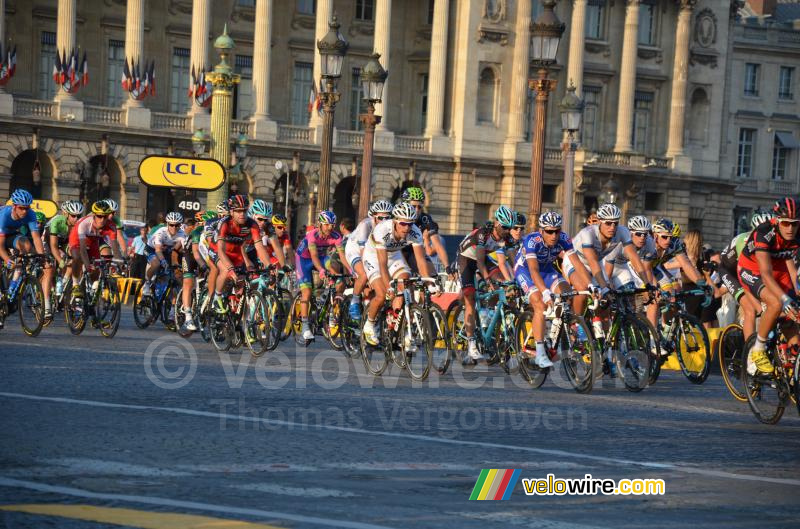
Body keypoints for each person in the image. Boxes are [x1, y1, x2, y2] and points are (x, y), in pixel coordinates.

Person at [514, 211, 584, 368]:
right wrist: (545, 292)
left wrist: (591, 284)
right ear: (541, 231)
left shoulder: (564, 238)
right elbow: (533, 270)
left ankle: (556, 334)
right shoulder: (532, 241)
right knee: (539, 304)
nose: (554, 235)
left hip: (547, 270)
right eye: (549, 231)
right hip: (526, 271)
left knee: (568, 294)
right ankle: (539, 353)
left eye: (557, 231)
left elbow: (577, 264)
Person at [739, 197, 800, 374]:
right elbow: (765, 274)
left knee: (793, 317)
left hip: (779, 267)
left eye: (795, 224)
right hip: (752, 268)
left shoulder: (797, 231)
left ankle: (791, 369)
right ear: (777, 221)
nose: (790, 228)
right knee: (776, 303)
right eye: (786, 223)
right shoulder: (764, 232)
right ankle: (758, 349)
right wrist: (784, 299)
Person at [362, 202, 434, 347]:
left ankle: (401, 326)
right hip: (374, 257)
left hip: (394, 255)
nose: (406, 228)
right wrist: (389, 286)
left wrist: (429, 283)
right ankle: (369, 324)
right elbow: (382, 265)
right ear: (395, 221)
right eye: (403, 223)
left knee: (406, 285)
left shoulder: (415, 232)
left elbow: (421, 261)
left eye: (410, 224)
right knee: (382, 294)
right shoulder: (382, 230)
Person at [456, 205, 515, 364]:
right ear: (496, 223)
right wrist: (488, 281)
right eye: (504, 227)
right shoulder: (484, 233)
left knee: (502, 286)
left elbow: (514, 260)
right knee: (470, 296)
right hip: (466, 260)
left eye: (510, 228)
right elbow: (480, 263)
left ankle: (488, 316)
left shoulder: (507, 238)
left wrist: (515, 279)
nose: (507, 231)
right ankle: (471, 346)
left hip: (484, 260)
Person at [210, 195, 272, 313]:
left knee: (242, 279)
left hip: (236, 252)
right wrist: (230, 268)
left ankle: (235, 310)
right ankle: (216, 297)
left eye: (244, 211)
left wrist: (269, 265)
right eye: (238, 211)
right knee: (225, 271)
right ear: (231, 212)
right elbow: (221, 251)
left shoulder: (252, 224)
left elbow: (259, 246)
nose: (242, 214)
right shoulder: (225, 223)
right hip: (217, 250)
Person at [295, 210, 347, 340]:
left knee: (337, 272)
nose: (330, 227)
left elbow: (342, 256)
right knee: (306, 292)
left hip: (322, 257)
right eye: (327, 225)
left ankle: (331, 307)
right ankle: (305, 325)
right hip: (303, 260)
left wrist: (352, 271)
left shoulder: (336, 236)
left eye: (332, 225)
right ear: (320, 224)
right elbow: (313, 256)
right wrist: (321, 270)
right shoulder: (312, 235)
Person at [0, 190, 48, 327]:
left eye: (27, 208)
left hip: (11, 235)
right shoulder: (4, 215)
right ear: (14, 206)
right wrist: (6, 260)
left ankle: (13, 285)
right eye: (21, 208)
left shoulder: (30, 214)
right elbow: (0, 246)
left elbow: (36, 238)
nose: (25, 211)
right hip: (0, 236)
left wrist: (42, 257)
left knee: (26, 245)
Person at [345, 200, 393, 321]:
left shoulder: (390, 227)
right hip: (354, 249)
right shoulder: (365, 225)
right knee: (365, 274)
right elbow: (363, 253)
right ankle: (354, 302)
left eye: (387, 217)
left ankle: (369, 312)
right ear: (374, 217)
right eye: (381, 218)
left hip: (371, 251)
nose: (384, 221)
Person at [68, 200, 123, 298]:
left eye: (105, 216)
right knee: (77, 257)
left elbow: (115, 246)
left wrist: (119, 262)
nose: (102, 219)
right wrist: (87, 265)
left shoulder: (111, 226)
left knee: (97, 268)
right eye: (99, 216)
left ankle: (92, 294)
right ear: (94, 215)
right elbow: (83, 250)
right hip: (77, 240)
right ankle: (75, 284)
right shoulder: (84, 224)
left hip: (93, 241)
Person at [41, 200, 84, 321]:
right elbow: (53, 246)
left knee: (75, 257)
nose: (76, 218)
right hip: (49, 242)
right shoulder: (57, 221)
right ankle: (47, 305)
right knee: (50, 269)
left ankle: (64, 282)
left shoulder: (79, 225)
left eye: (79, 216)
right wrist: (60, 261)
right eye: (74, 216)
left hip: (65, 242)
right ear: (67, 214)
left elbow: (77, 246)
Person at [140, 211, 186, 297]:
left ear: (180, 225)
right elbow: (157, 250)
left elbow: (184, 250)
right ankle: (147, 282)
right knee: (156, 264)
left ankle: (161, 298)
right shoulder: (161, 232)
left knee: (168, 274)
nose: (174, 228)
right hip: (152, 249)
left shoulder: (182, 234)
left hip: (166, 252)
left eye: (177, 225)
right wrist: (163, 261)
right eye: (171, 225)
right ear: (167, 224)